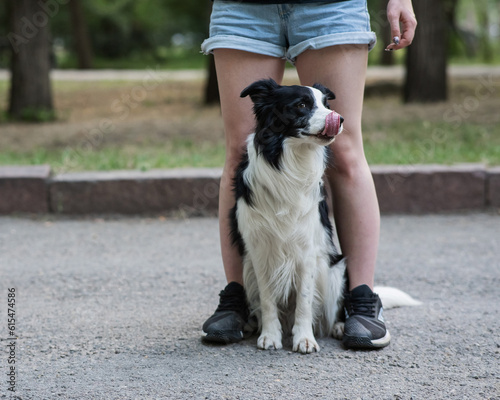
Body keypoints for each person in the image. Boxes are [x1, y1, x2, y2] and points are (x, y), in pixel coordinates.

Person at [200, 0, 417, 349]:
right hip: (242, 8)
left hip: (332, 6)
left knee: (344, 152)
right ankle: (238, 298)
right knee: (240, 150)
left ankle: (360, 301)